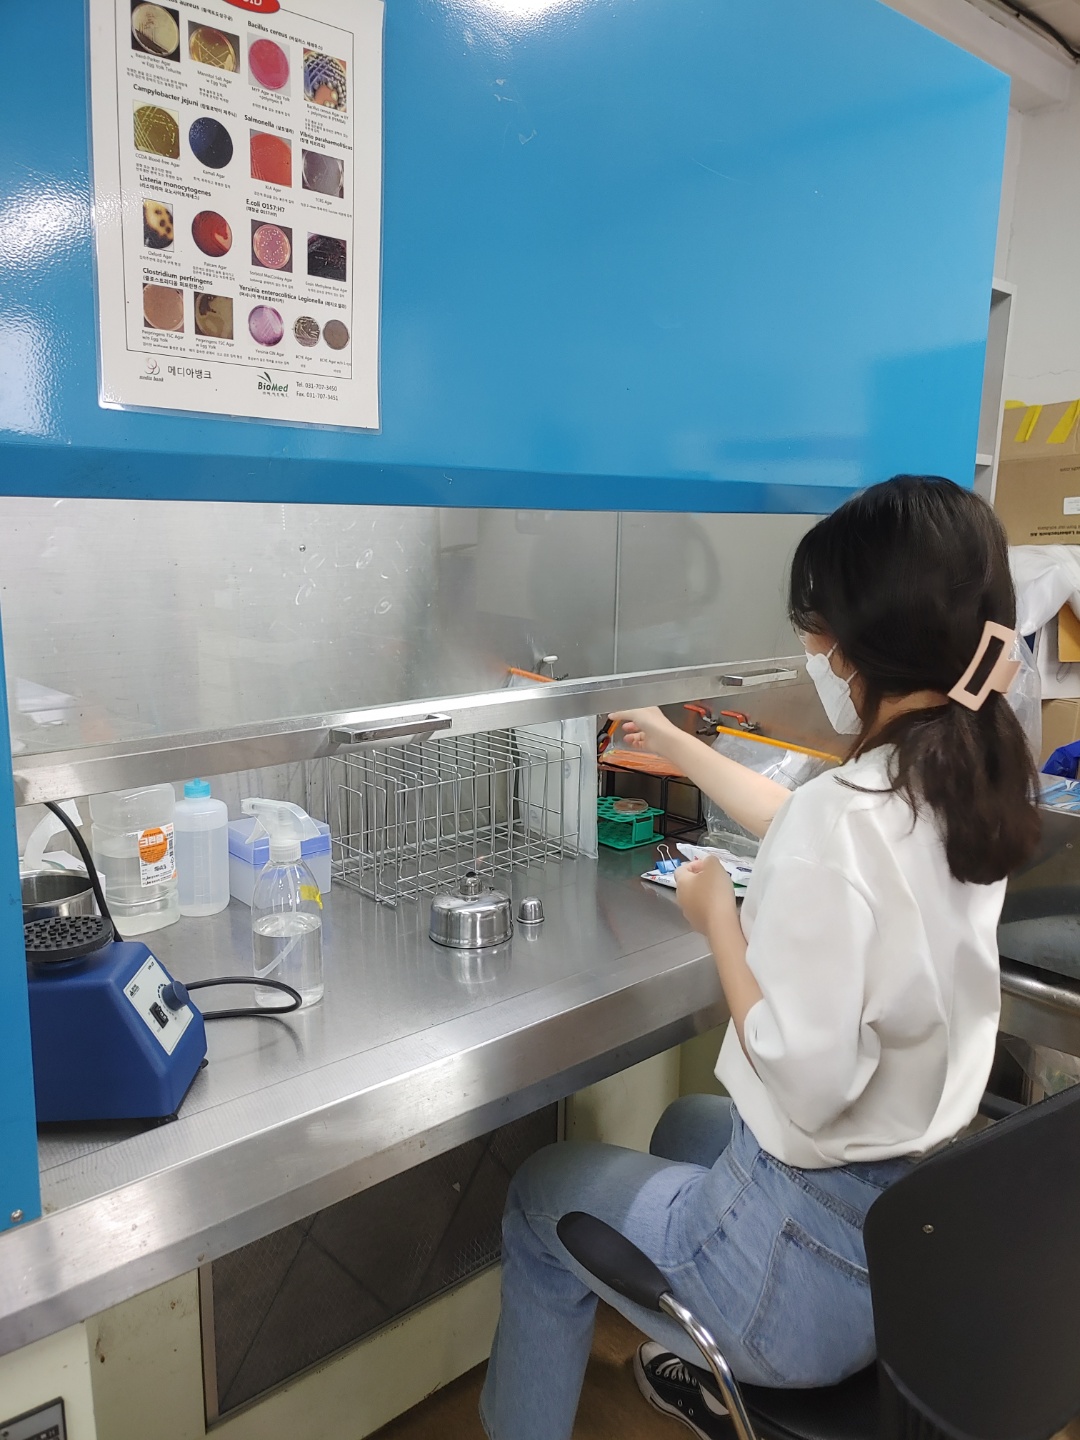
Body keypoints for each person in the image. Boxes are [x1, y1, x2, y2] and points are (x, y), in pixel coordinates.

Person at [478, 476, 1041, 1440]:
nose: (814, 649)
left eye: (818, 628)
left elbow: (804, 1078)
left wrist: (719, 924)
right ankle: (703, 1377)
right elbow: (805, 822)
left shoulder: (846, 818)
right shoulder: (960, 779)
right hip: (908, 1241)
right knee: (685, 1126)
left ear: (859, 643)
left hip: (802, 1292)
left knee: (540, 1193)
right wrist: (671, 740)